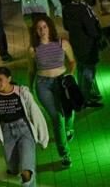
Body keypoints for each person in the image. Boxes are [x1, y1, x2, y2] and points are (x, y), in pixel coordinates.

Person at [29, 15, 77, 167]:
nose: (42, 30)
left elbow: (72, 62)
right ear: (35, 31)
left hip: (62, 82)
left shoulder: (63, 43)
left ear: (49, 27)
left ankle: (69, 128)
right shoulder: (33, 50)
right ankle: (65, 154)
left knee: (68, 111)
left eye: (44, 27)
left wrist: (70, 75)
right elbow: (31, 70)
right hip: (43, 85)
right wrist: (29, 89)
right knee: (57, 118)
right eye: (39, 28)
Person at [61, 0, 104, 107]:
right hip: (88, 46)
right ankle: (86, 99)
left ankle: (83, 94)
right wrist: (99, 36)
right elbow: (92, 29)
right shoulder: (85, 9)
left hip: (76, 43)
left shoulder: (66, 8)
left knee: (80, 69)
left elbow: (66, 26)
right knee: (88, 72)